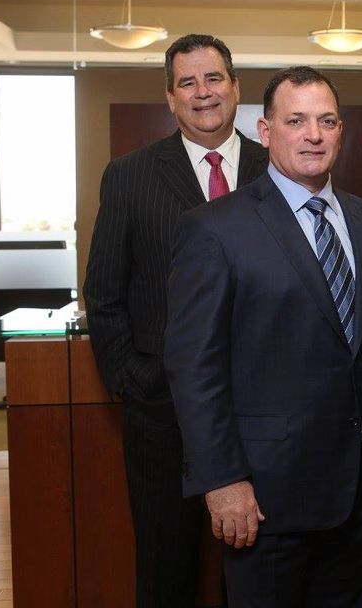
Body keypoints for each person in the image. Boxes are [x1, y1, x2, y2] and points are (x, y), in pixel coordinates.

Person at [164, 66, 362, 608]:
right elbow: (195, 370)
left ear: (340, 130)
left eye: (327, 121)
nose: (314, 134)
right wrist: (223, 480)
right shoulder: (214, 228)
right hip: (264, 499)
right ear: (265, 132)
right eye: (297, 121)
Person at [83, 34, 268, 607]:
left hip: (265, 411)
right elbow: (105, 293)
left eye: (213, 79)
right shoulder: (129, 176)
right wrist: (134, 381)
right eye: (187, 82)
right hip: (163, 420)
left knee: (263, 574)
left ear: (236, 88)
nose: (202, 92)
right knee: (167, 572)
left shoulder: (280, 169)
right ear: (169, 97)